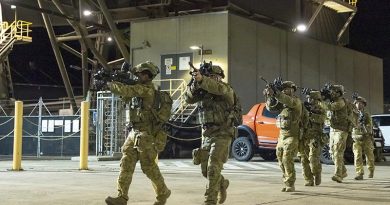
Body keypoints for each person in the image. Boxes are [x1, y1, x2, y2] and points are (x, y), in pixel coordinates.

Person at [105, 61, 171, 205]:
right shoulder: (137, 89)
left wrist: (110, 84)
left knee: (148, 167)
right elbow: (125, 96)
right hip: (134, 132)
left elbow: (126, 91)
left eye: (140, 74)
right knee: (126, 163)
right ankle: (122, 197)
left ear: (147, 76)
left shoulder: (146, 90)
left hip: (146, 135)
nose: (137, 76)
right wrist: (117, 81)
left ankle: (163, 192)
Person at [185, 64, 234, 205]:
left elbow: (217, 88)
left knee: (213, 168)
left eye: (214, 76)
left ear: (220, 77)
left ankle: (210, 201)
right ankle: (222, 183)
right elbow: (188, 98)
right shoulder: (203, 91)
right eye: (209, 76)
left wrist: (202, 80)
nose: (212, 79)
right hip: (207, 134)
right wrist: (196, 82)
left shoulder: (225, 89)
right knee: (205, 170)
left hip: (223, 133)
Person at [264, 81, 302, 192]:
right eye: (283, 89)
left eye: (288, 89)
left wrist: (276, 93)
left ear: (293, 90)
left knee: (287, 158)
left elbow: (288, 101)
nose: (285, 91)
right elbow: (270, 108)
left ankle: (290, 183)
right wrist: (270, 96)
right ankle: (286, 180)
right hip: (282, 135)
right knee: (280, 158)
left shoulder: (296, 101)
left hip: (292, 136)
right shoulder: (282, 102)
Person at [322, 85, 349, 183]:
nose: (331, 93)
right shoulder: (333, 101)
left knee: (338, 151)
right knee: (332, 153)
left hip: (341, 130)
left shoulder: (340, 102)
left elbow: (328, 107)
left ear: (339, 93)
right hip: (333, 129)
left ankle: (338, 175)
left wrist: (320, 99)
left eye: (333, 92)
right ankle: (344, 171)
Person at [300, 90, 326, 186]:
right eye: (308, 98)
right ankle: (308, 179)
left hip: (315, 137)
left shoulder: (321, 108)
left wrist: (310, 114)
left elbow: (322, 119)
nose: (309, 100)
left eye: (311, 98)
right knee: (303, 159)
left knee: (313, 159)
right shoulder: (304, 108)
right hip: (304, 137)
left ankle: (317, 172)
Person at [352, 96, 375, 180]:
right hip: (356, 138)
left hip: (366, 138)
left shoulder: (366, 115)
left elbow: (369, 126)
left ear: (364, 105)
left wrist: (364, 126)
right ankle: (359, 173)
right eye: (357, 103)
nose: (358, 104)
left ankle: (371, 170)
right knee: (357, 155)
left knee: (369, 156)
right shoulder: (352, 114)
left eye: (360, 103)